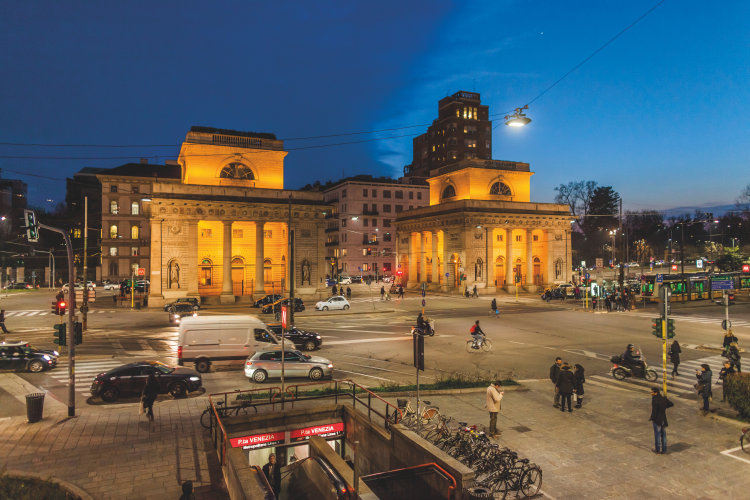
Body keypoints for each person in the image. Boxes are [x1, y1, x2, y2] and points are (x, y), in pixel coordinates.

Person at [649, 387, 674, 454]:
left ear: (655, 392)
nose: (651, 393)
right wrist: (665, 407)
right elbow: (671, 404)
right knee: (664, 435)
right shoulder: (663, 398)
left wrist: (652, 418)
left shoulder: (655, 399)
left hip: (657, 420)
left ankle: (657, 450)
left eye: (652, 392)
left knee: (657, 435)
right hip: (663, 419)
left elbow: (654, 411)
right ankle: (664, 449)